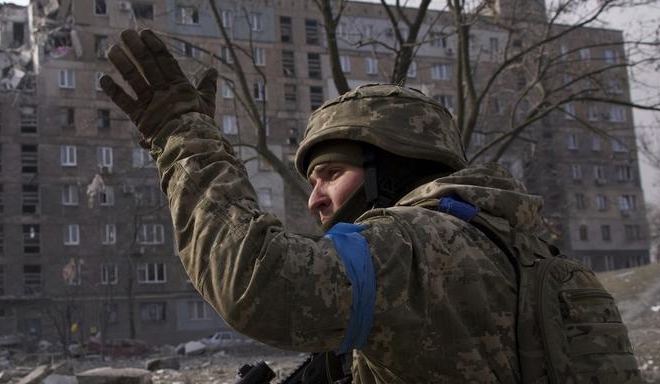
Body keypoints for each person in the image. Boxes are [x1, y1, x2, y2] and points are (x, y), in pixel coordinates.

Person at [97, 29, 596, 383]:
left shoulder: (417, 245)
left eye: (331, 175)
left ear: (395, 169)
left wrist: (182, 135)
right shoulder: (521, 247)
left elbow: (258, 286)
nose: (314, 198)